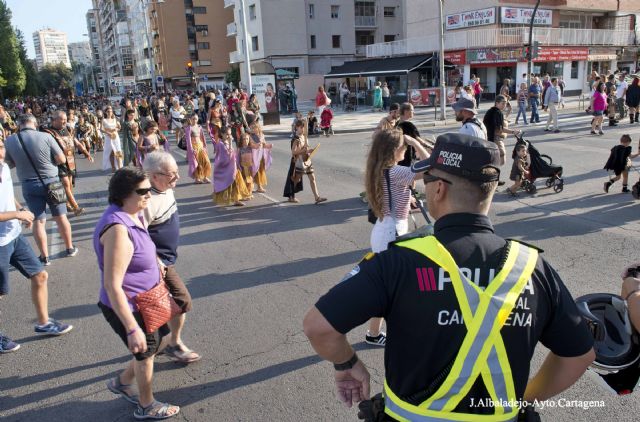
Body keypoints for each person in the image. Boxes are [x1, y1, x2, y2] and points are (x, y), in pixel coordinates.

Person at [303, 133, 595, 421]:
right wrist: (520, 400)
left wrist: (347, 363)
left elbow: (320, 327)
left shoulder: (398, 261)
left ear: (439, 189)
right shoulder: (533, 266)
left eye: (426, 181)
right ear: (490, 190)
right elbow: (579, 355)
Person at [94, 167, 180, 420]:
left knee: (159, 342)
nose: (148, 196)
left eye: (149, 190)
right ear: (122, 195)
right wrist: (132, 328)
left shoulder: (133, 214)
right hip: (131, 305)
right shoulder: (118, 230)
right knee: (145, 353)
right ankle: (146, 405)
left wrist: (156, 262)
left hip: (149, 299)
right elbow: (112, 284)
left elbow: (144, 246)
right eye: (142, 192)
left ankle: (121, 382)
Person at [0, 137, 73, 353]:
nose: (0, 152)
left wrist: (18, 207)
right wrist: (17, 213)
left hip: (13, 235)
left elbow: (7, 194)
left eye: (1, 147)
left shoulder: (3, 167)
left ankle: (43, 323)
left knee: (40, 275)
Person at [363, 128, 429, 347]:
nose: (406, 149)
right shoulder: (396, 172)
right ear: (394, 150)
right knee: (394, 290)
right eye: (404, 146)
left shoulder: (380, 170)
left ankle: (374, 333)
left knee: (389, 288)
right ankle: (387, 333)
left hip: (386, 229)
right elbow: (431, 164)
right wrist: (416, 141)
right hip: (392, 232)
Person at [141, 151, 201, 364]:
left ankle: (161, 343)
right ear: (153, 176)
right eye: (171, 174)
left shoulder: (165, 188)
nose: (177, 178)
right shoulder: (145, 201)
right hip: (157, 264)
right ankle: (169, 344)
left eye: (177, 172)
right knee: (181, 300)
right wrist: (156, 262)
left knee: (170, 305)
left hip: (166, 261)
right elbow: (137, 237)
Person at [4, 114, 79, 266]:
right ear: (35, 124)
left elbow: (10, 164)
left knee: (39, 221)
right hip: (52, 182)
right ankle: (69, 248)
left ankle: (44, 257)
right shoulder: (45, 136)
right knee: (61, 217)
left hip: (29, 184)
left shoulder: (10, 141)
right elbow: (61, 159)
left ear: (20, 125)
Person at [42, 111, 94, 217]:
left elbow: (77, 143)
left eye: (65, 119)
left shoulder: (68, 129)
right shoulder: (48, 132)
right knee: (65, 184)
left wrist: (87, 153)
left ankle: (68, 204)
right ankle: (76, 207)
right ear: (54, 120)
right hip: (58, 163)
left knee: (70, 185)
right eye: (62, 119)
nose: (65, 121)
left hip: (70, 161)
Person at [283, 119, 327, 204]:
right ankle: (291, 196)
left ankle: (317, 197)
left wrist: (309, 150)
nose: (303, 129)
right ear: (297, 128)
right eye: (301, 127)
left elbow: (305, 148)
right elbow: (293, 152)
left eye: (303, 127)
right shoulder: (296, 139)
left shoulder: (304, 136)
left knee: (312, 178)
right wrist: (304, 151)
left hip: (307, 160)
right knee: (296, 180)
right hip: (299, 162)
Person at [212, 127, 251, 206]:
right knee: (227, 184)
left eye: (230, 134)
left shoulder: (226, 142)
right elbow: (227, 156)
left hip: (233, 168)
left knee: (236, 183)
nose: (229, 136)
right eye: (227, 134)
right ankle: (226, 198)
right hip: (226, 169)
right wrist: (230, 143)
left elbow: (233, 155)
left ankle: (237, 200)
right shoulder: (220, 144)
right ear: (222, 134)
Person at [483, 95, 521, 166]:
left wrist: (509, 108)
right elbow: (500, 129)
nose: (505, 105)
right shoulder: (498, 113)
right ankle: (494, 173)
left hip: (488, 138)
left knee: (493, 160)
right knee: (501, 160)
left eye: (506, 103)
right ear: (497, 103)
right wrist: (513, 132)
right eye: (503, 103)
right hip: (495, 139)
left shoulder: (491, 111)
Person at [395, 103, 432, 167]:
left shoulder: (397, 123)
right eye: (412, 110)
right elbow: (418, 140)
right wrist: (430, 147)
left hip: (398, 154)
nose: (413, 112)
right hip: (408, 156)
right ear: (406, 111)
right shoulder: (409, 125)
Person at [185, 113, 211, 184]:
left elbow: (202, 137)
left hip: (200, 146)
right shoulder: (188, 128)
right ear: (190, 119)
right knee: (196, 163)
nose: (194, 120)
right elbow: (188, 141)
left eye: (196, 119)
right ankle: (197, 178)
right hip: (194, 147)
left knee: (206, 161)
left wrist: (205, 146)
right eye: (193, 119)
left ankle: (205, 177)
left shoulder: (199, 127)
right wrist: (191, 150)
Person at [248, 121, 272, 193]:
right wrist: (255, 146)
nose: (253, 129)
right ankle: (250, 186)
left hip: (261, 155)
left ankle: (259, 186)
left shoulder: (261, 135)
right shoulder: (250, 136)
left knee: (260, 170)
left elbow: (264, 144)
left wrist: (268, 146)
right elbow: (249, 145)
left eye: (254, 128)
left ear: (258, 128)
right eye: (251, 128)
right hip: (254, 156)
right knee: (254, 171)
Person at [102, 106, 123, 171]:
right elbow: (101, 129)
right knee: (111, 152)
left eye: (111, 111)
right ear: (106, 112)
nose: (110, 113)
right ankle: (113, 167)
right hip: (108, 137)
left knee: (118, 151)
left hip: (115, 137)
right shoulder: (104, 120)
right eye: (108, 111)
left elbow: (119, 127)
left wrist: (116, 129)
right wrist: (108, 133)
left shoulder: (115, 119)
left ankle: (120, 167)